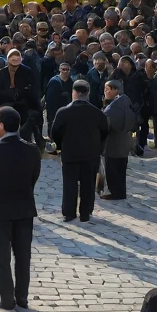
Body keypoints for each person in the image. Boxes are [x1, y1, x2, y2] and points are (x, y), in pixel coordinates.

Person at [0, 105, 41, 311]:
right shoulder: (31, 150)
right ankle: (22, 297)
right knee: (23, 256)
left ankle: (7, 299)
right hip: (23, 210)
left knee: (1, 257)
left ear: (1, 125)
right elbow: (33, 178)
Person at [50, 78, 109, 222]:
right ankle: (85, 212)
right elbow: (104, 132)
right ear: (88, 93)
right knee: (88, 184)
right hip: (91, 154)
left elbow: (55, 133)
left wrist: (60, 146)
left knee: (69, 184)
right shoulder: (97, 113)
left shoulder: (63, 112)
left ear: (73, 93)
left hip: (70, 153)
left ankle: (69, 213)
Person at [101, 79, 136, 201]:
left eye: (107, 89)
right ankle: (121, 192)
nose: (105, 91)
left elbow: (105, 127)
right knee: (121, 169)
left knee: (112, 170)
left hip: (113, 144)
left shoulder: (112, 109)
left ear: (116, 90)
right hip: (124, 144)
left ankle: (115, 193)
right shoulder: (126, 103)